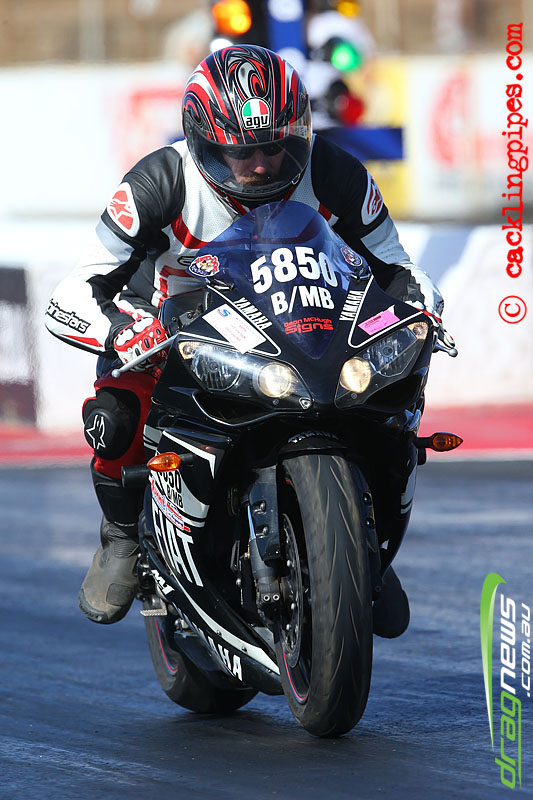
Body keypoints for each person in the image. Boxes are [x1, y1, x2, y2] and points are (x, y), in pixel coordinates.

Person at [45, 44, 447, 635]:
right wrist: (125, 328)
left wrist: (420, 309)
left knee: (393, 395)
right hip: (182, 331)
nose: (260, 165)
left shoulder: (334, 171)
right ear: (203, 140)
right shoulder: (158, 182)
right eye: (241, 151)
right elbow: (78, 287)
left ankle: (367, 549)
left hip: (304, 324)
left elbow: (395, 266)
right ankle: (123, 534)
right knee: (117, 416)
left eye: (273, 147)